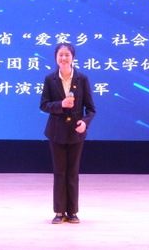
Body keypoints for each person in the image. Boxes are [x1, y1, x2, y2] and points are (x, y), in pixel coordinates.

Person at [39, 43, 96, 224]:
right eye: (60, 55)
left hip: (76, 133)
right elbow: (44, 105)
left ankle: (72, 211)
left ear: (73, 57)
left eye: (67, 55)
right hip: (56, 132)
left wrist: (85, 123)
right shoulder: (50, 79)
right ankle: (59, 211)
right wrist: (61, 105)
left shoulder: (82, 79)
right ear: (56, 57)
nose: (63, 58)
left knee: (73, 172)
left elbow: (91, 109)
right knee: (59, 172)